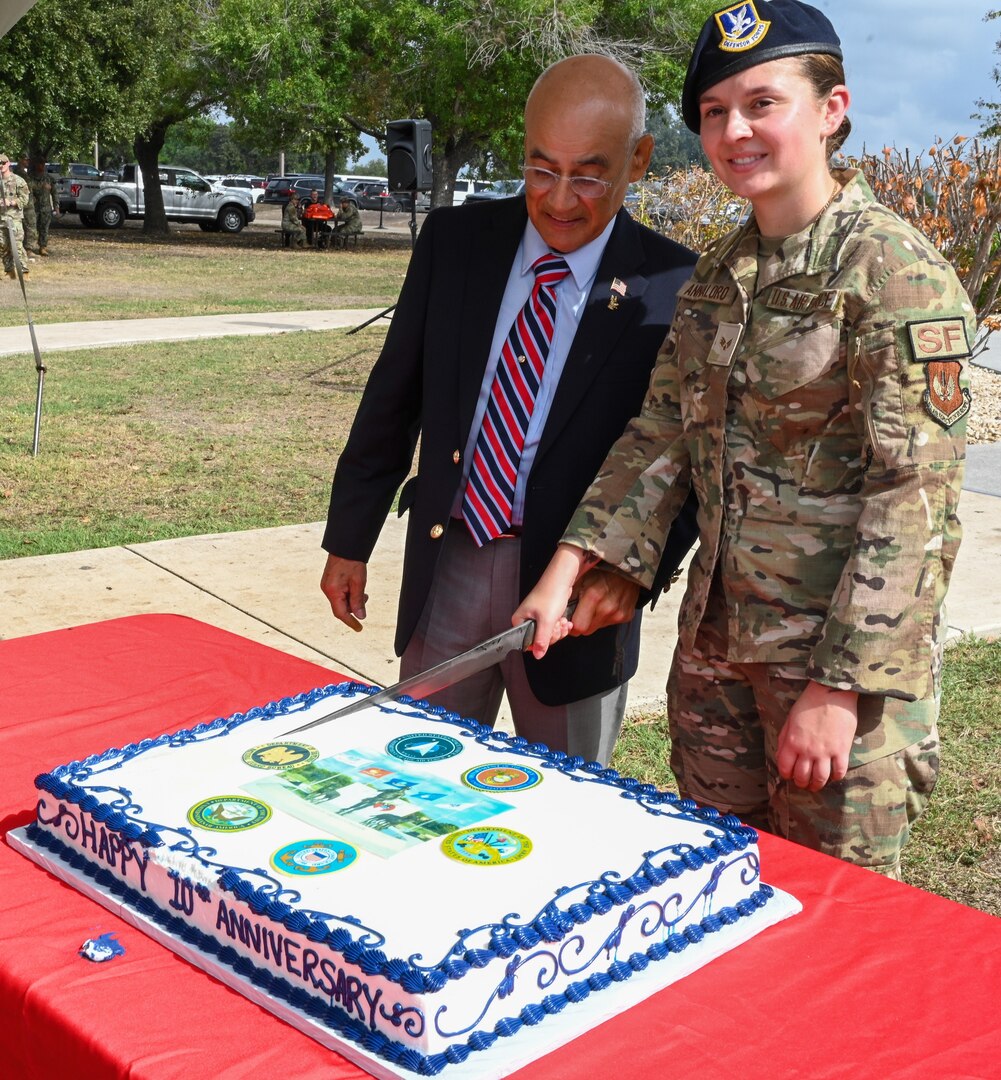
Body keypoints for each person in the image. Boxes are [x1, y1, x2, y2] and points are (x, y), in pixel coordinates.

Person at [515, 1, 974, 878]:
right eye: (715, 112)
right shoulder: (719, 276)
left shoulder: (891, 273)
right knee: (723, 908)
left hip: (835, 683)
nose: (734, 130)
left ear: (831, 109)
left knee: (833, 937)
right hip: (715, 662)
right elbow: (659, 438)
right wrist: (567, 570)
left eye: (762, 103)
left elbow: (911, 503)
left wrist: (838, 691)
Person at [320, 53, 699, 766]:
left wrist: (635, 573)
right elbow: (393, 396)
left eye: (588, 174)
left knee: (566, 804)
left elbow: (684, 457)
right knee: (413, 780)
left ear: (638, 159)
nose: (559, 199)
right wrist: (350, 536)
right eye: (540, 169)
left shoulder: (675, 285)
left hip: (577, 599)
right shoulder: (456, 244)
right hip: (451, 560)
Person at [0, 153, 30, 280]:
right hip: (0, 219)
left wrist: (11, 202)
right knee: (2, 245)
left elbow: (25, 199)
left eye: (3, 163)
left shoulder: (18, 180)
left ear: (8, 163)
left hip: (14, 219)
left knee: (16, 246)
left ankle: (24, 272)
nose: (1, 165)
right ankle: (9, 271)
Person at [28, 160, 58, 256]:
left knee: (44, 228)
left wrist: (56, 206)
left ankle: (43, 247)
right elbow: (29, 189)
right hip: (34, 208)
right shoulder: (31, 177)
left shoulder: (49, 178)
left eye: (43, 163)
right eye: (39, 163)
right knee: (32, 228)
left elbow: (55, 193)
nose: (41, 165)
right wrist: (42, 186)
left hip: (46, 208)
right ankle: (29, 248)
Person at [11, 154, 38, 256]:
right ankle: (28, 249)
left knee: (22, 227)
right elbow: (29, 185)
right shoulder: (20, 173)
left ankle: (21, 249)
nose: (28, 161)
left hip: (25, 202)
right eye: (26, 159)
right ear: (20, 160)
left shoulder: (20, 171)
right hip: (26, 205)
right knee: (30, 226)